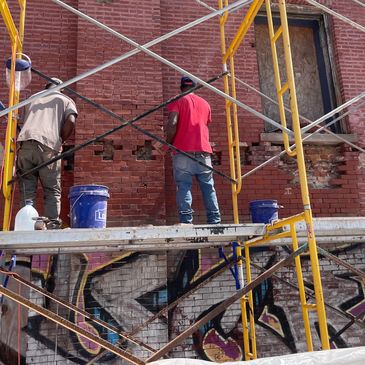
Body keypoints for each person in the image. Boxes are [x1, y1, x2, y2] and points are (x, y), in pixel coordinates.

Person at [16, 77, 78, 229]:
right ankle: (51, 227)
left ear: (46, 87)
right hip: (48, 147)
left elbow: (25, 121)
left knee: (27, 190)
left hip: (25, 145)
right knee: (51, 190)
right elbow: (71, 120)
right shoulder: (65, 99)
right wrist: (60, 140)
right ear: (61, 88)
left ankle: (28, 226)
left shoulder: (32, 99)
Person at [166, 76, 221, 224]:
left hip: (183, 152)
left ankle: (186, 222)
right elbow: (204, 124)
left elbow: (172, 124)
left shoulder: (178, 100)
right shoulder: (205, 104)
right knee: (209, 188)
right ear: (195, 88)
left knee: (184, 186)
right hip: (204, 153)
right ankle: (215, 221)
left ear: (181, 87)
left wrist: (167, 144)